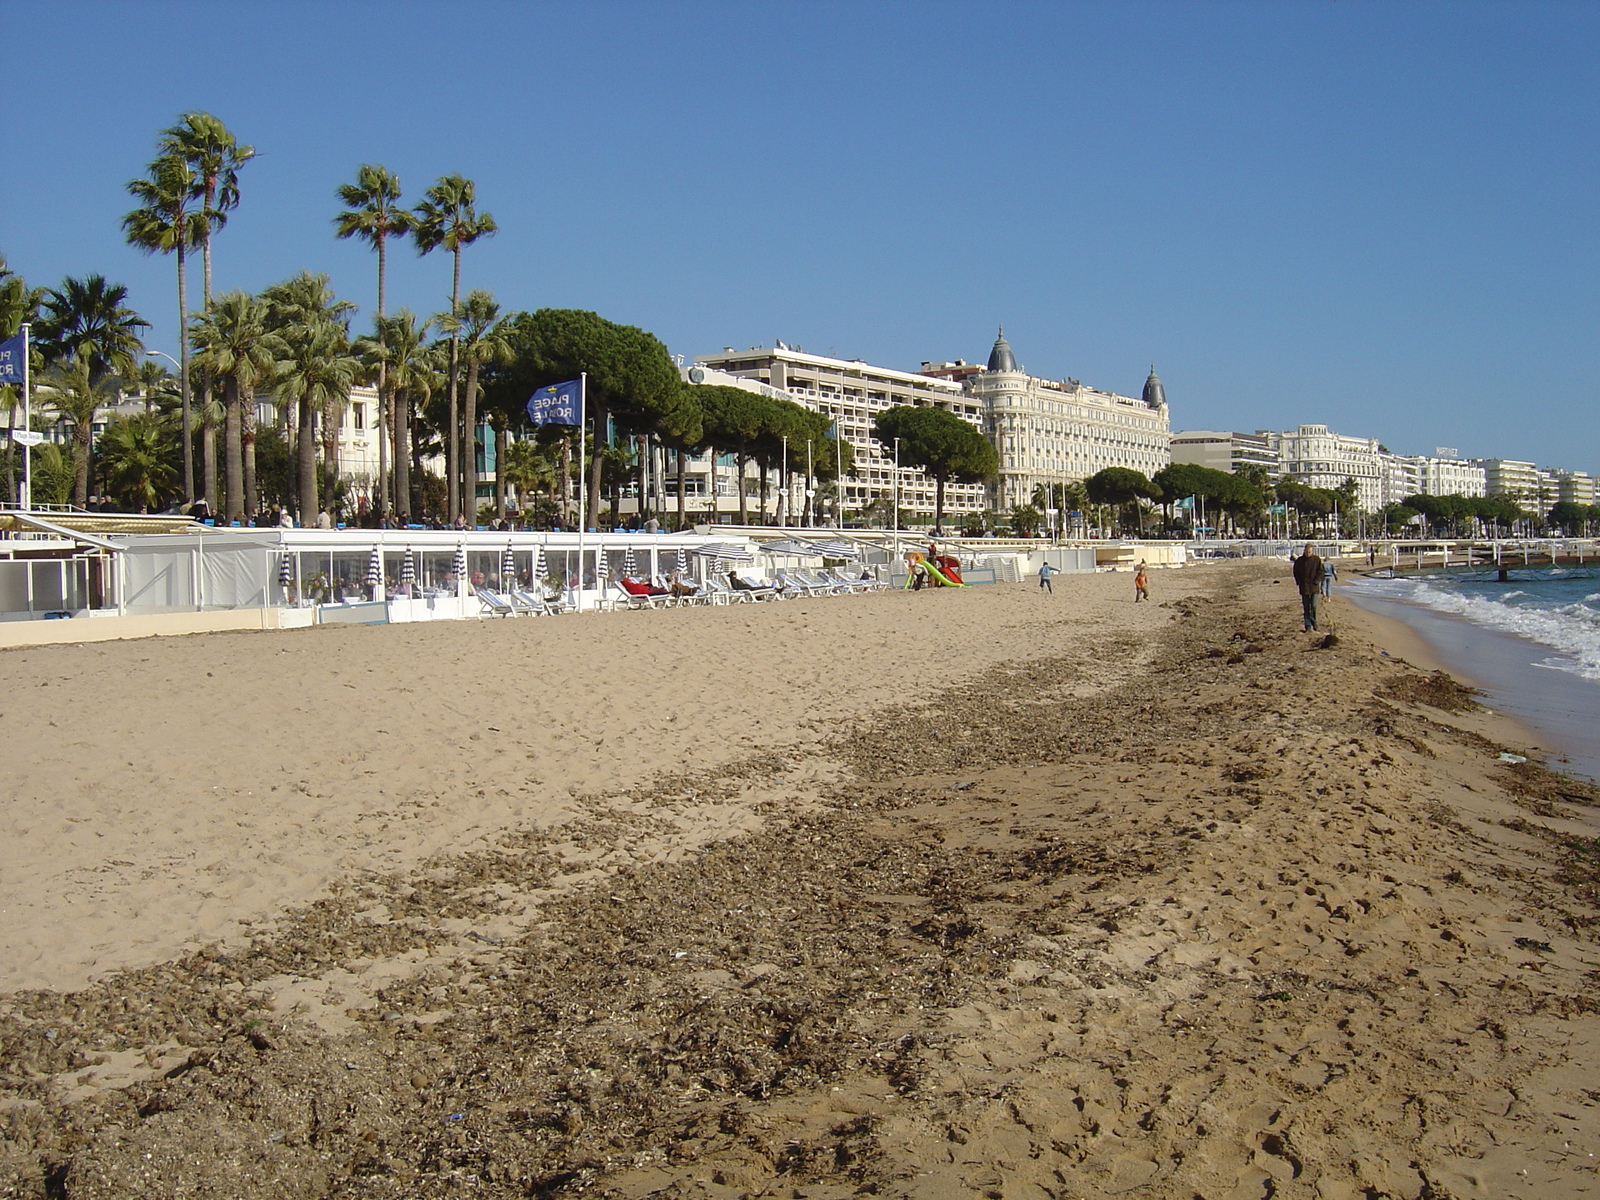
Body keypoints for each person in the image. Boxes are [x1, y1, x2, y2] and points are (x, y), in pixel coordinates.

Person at [1292, 543, 1325, 631]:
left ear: (1312, 551)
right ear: (1304, 551)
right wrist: (1299, 582)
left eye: (1309, 552)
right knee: (1306, 607)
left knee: (1313, 605)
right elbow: (1295, 572)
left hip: (1314, 586)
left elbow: (1321, 572)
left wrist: (1317, 581)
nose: (1308, 553)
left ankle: (1314, 622)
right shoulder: (1299, 561)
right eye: (1307, 552)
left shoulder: (1316, 560)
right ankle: (1307, 626)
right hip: (1304, 587)